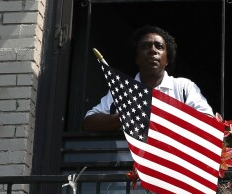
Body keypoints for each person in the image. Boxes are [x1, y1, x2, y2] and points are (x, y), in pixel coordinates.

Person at [83, 25, 214, 132]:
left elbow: (209, 122)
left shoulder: (184, 87)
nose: (153, 50)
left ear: (167, 59)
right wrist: (125, 116)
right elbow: (89, 123)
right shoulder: (123, 90)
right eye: (146, 46)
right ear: (137, 58)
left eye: (159, 46)